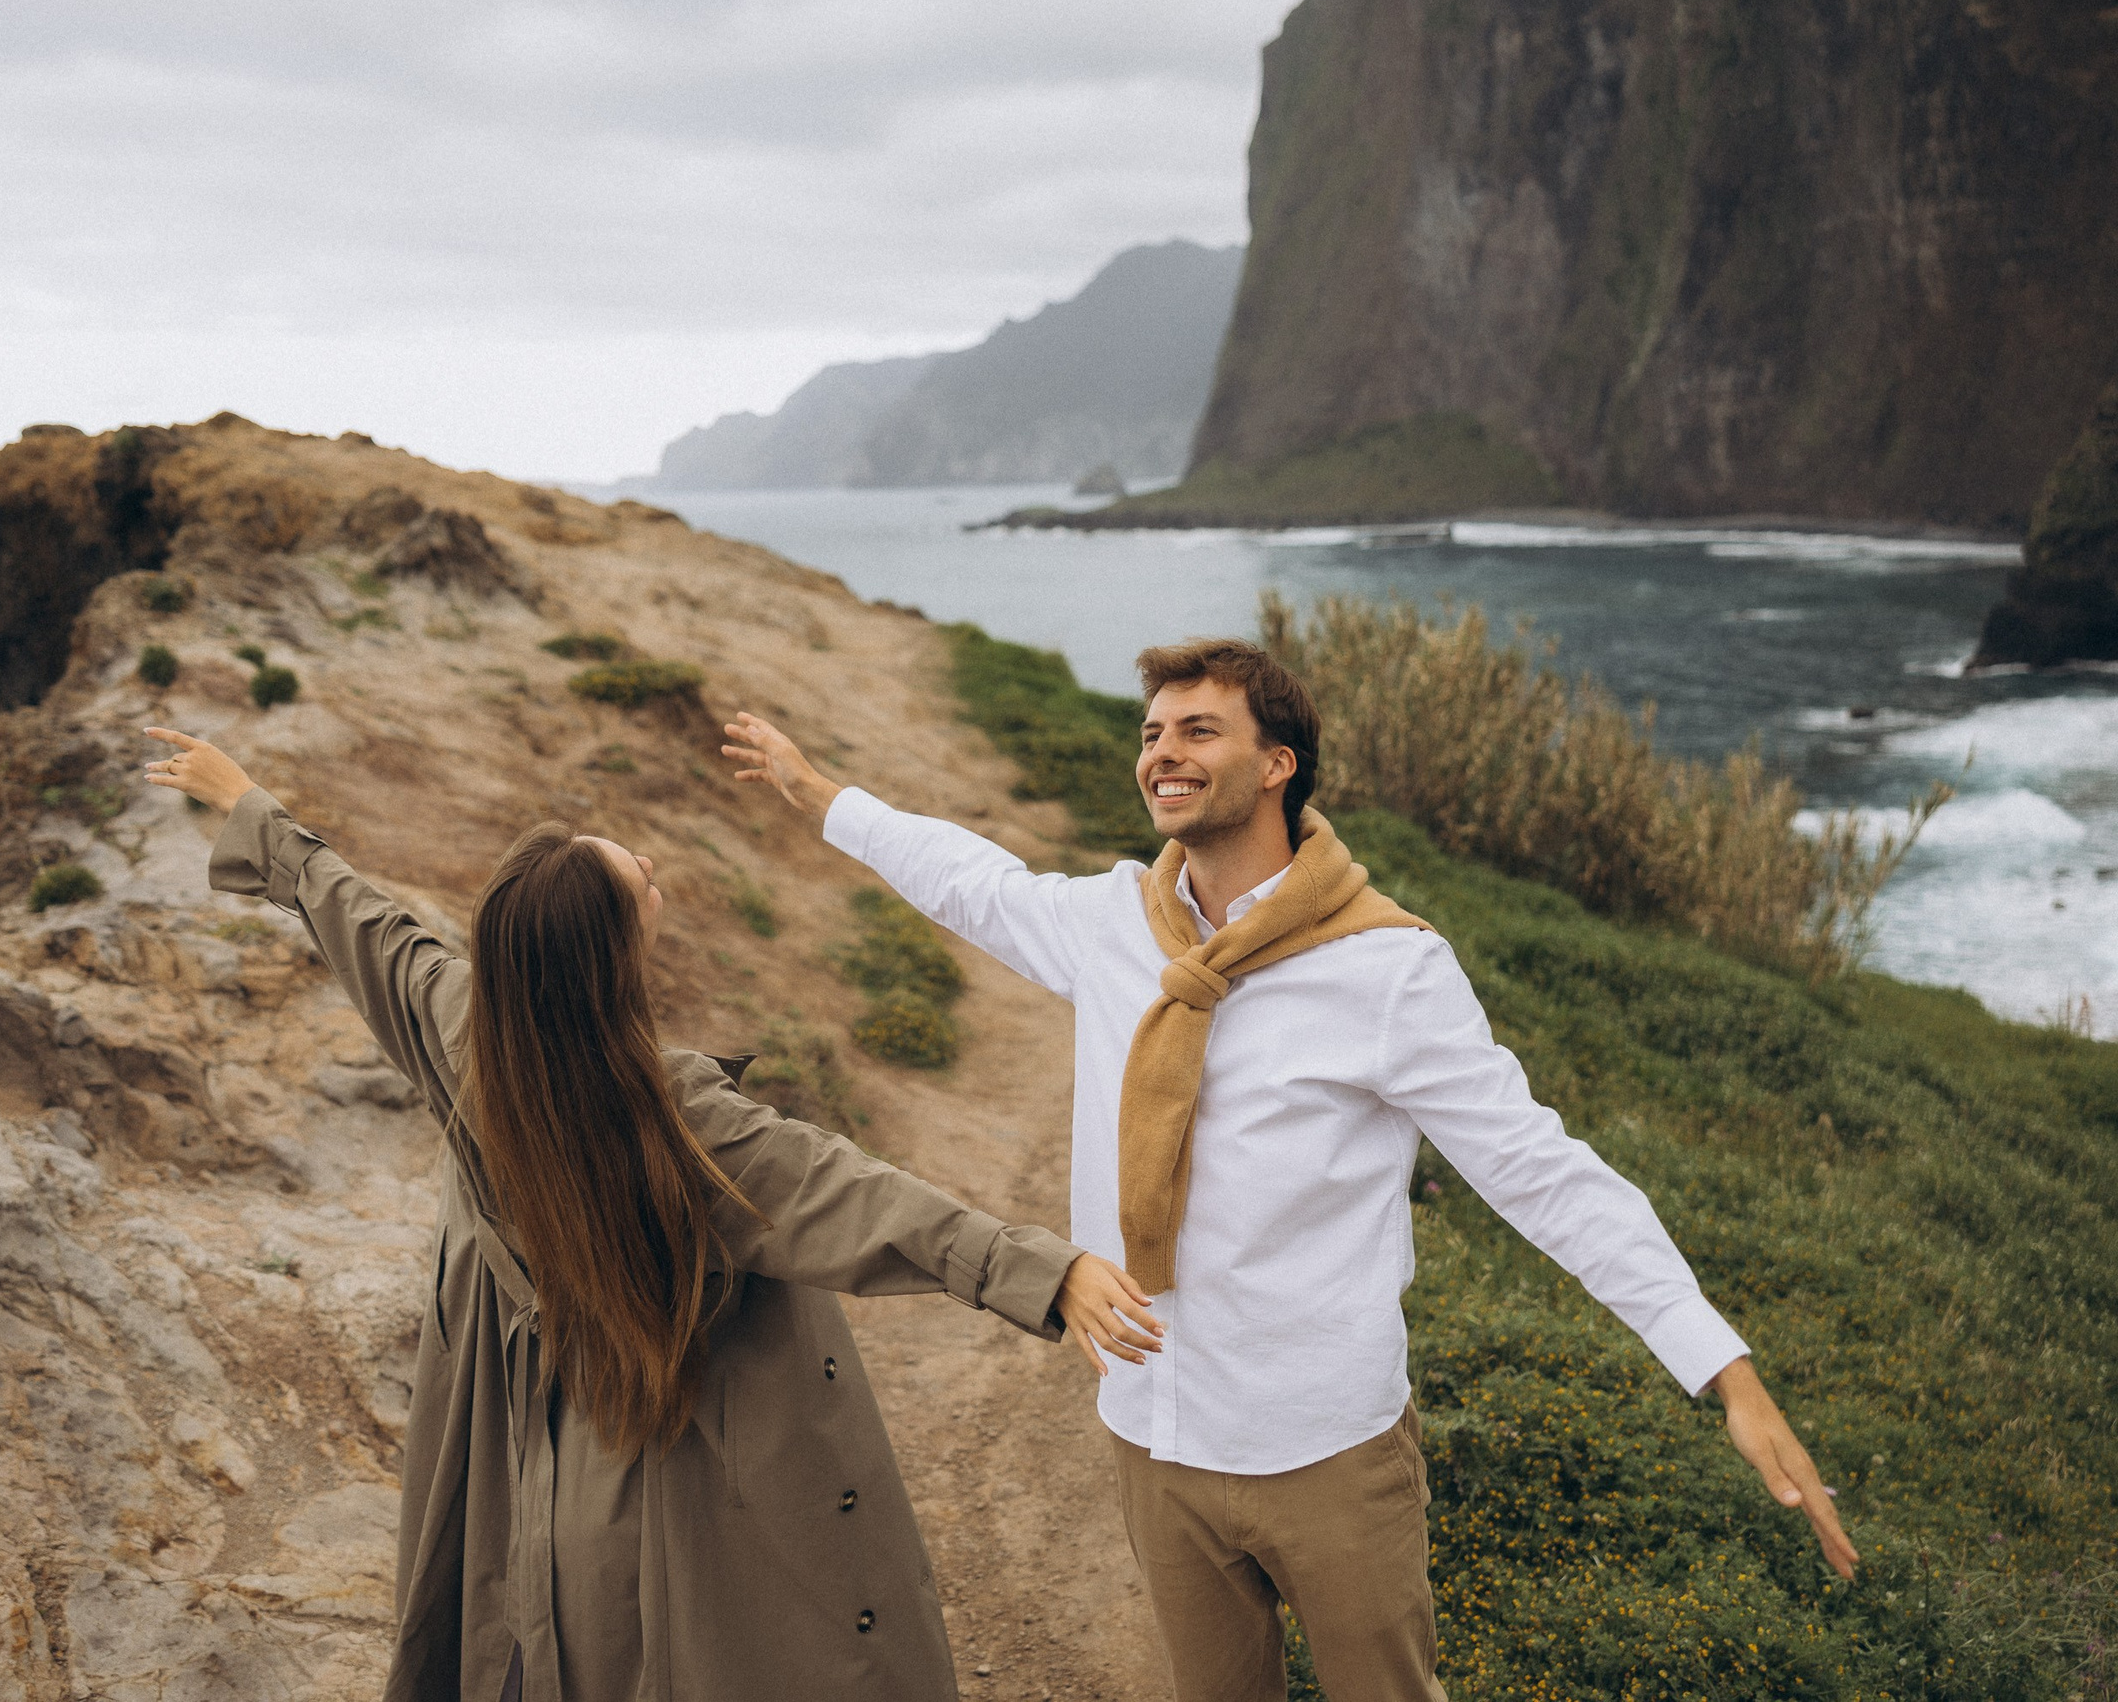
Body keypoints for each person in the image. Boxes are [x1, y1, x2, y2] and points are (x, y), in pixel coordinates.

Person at [720, 637, 1858, 1702]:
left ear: (1277, 765)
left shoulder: (1386, 966)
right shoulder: (1117, 922)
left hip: (1324, 1446)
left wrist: (1724, 1370)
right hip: (1150, 1425)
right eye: (1152, 732)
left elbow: (1541, 1171)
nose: (1162, 752)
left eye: (1198, 731)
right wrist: (817, 791)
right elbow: (971, 880)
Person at [139, 726, 1160, 1702]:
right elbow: (854, 1191)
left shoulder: (469, 1033)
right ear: (613, 956)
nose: (649, 856)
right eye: (640, 876)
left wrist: (250, 807)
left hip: (527, 1462)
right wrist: (1043, 1273)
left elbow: (369, 927)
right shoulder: (675, 1115)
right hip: (661, 1474)